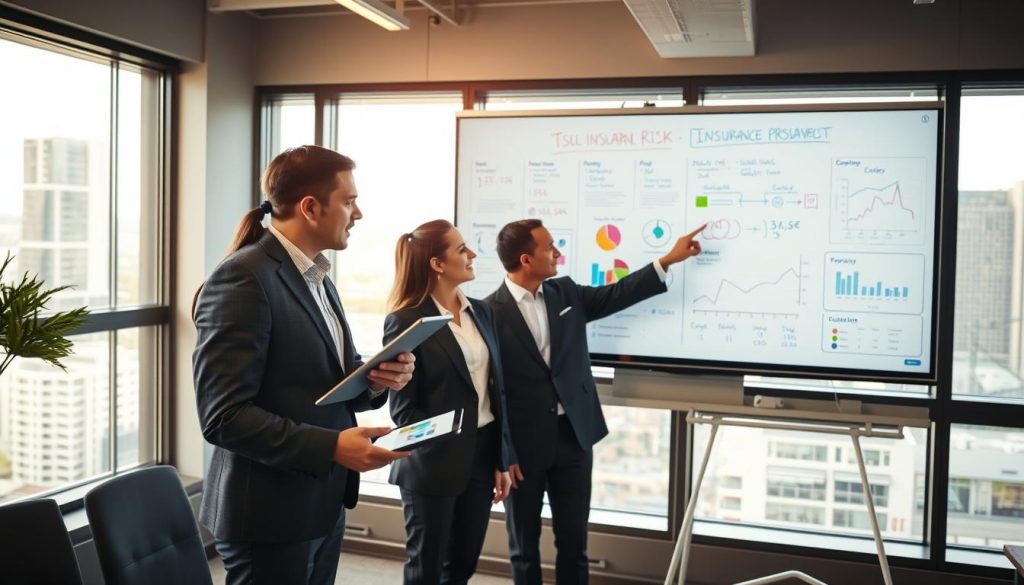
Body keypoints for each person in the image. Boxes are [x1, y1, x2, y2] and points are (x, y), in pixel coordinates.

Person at [192, 145, 416, 585]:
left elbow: (325, 374)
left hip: (318, 497)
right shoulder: (243, 277)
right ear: (311, 207)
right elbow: (223, 417)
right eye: (349, 201)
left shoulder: (316, 276)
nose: (359, 213)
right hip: (268, 513)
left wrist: (376, 378)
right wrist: (332, 447)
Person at [486, 218, 706, 585]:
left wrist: (666, 260)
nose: (558, 253)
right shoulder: (488, 312)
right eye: (549, 247)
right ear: (526, 259)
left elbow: (618, 293)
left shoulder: (565, 293)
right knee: (523, 547)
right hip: (522, 450)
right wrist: (502, 454)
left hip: (573, 437)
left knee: (574, 543)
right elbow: (491, 392)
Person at [384, 219, 516, 585]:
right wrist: (447, 437)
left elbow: (495, 392)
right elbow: (404, 411)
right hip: (433, 463)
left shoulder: (482, 311)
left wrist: (501, 459)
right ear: (437, 264)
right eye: (462, 249)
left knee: (462, 566)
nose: (472, 254)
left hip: (481, 455)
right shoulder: (406, 321)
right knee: (426, 570)